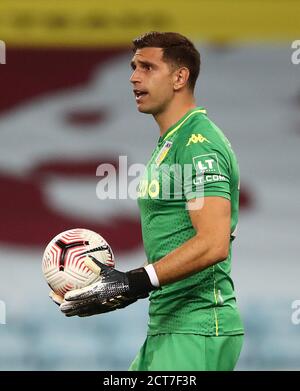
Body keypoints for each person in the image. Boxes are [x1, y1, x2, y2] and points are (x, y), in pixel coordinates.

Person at [52, 31, 244, 371]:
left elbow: (213, 244)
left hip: (197, 327)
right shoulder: (171, 142)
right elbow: (173, 242)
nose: (133, 77)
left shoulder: (198, 143)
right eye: (133, 67)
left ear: (180, 77)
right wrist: (118, 290)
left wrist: (133, 282)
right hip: (168, 326)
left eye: (147, 67)